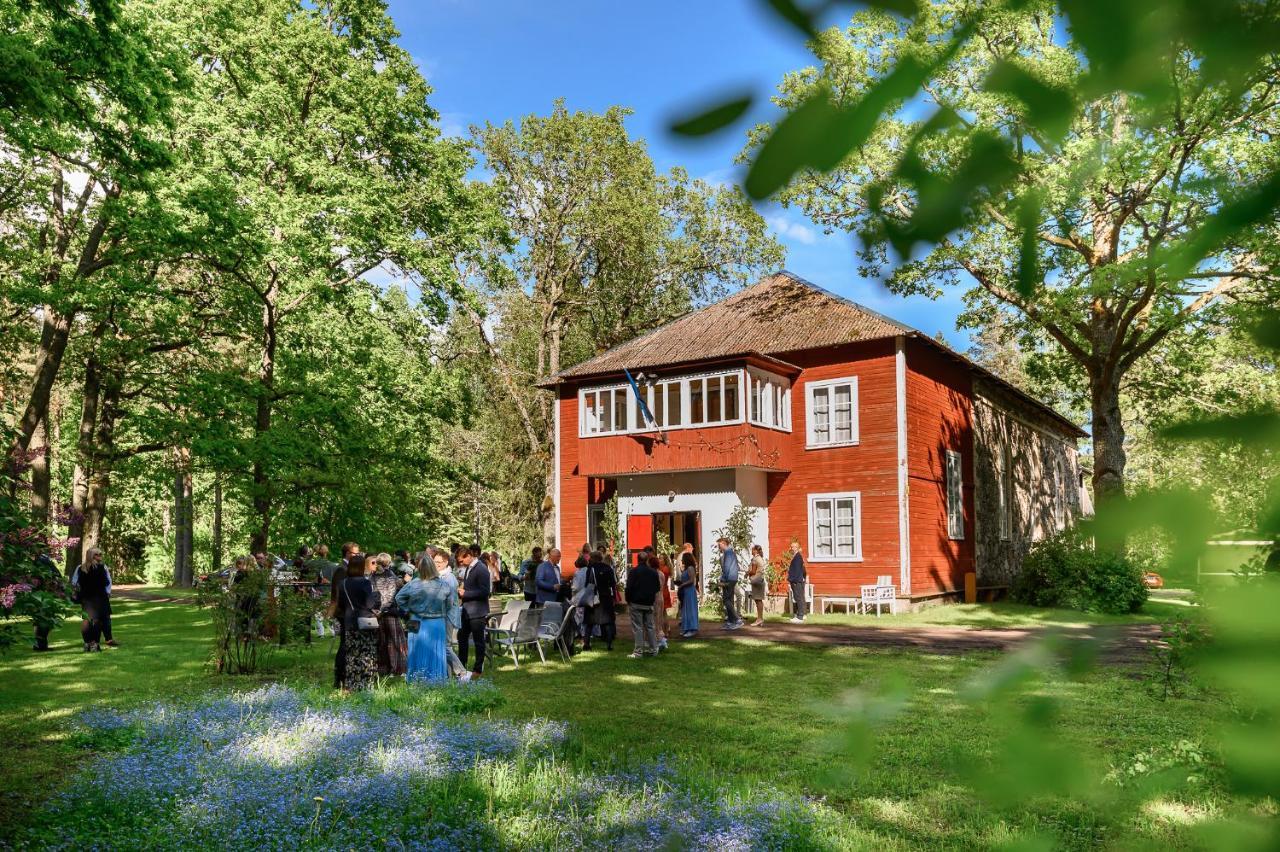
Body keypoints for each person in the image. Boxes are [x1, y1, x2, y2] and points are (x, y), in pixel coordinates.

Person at [396, 549, 459, 684]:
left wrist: (409, 610)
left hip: (416, 622)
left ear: (420, 568)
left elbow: (399, 598)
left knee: (416, 651)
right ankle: (436, 680)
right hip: (437, 622)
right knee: (436, 653)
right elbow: (450, 604)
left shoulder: (413, 583)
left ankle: (416, 680)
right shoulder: (443, 585)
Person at [335, 554, 381, 691]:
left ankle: (351, 683)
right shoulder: (365, 582)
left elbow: (341, 604)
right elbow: (369, 603)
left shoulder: (342, 583)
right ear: (362, 567)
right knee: (367, 654)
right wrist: (376, 598)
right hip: (365, 621)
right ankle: (365, 683)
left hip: (349, 621)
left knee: (352, 654)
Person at [456, 545, 491, 679]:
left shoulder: (481, 569)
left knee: (478, 641)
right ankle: (462, 667)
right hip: (466, 610)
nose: (460, 563)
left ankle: (478, 669)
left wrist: (466, 593)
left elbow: (485, 591)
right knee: (462, 637)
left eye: (461, 560)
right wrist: (461, 593)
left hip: (478, 611)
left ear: (469, 556)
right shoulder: (468, 568)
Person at [70, 547, 114, 652]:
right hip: (100, 597)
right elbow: (106, 582)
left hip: (86, 597)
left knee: (86, 620)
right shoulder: (102, 567)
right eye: (98, 554)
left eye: (100, 554)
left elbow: (74, 582)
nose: (100, 557)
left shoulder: (80, 568)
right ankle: (94, 645)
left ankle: (87, 644)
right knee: (97, 621)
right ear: (92, 556)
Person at [371, 553, 407, 677]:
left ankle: (383, 668)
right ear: (388, 562)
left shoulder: (373, 575)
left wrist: (376, 610)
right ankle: (397, 668)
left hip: (378, 613)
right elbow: (390, 596)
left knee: (382, 641)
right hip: (388, 612)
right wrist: (382, 610)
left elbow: (373, 594)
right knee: (394, 641)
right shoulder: (390, 575)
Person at [625, 555, 662, 658]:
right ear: (647, 560)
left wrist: (628, 600)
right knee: (650, 627)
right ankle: (654, 649)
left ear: (638, 559)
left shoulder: (634, 571)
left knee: (638, 627)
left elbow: (629, 587)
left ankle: (638, 651)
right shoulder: (653, 572)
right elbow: (657, 587)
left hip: (636, 602)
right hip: (649, 603)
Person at [588, 549, 617, 651]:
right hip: (606, 597)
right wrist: (614, 597)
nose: (589, 559)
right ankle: (609, 644)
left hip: (594, 597)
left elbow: (588, 584)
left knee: (589, 622)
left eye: (590, 558)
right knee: (608, 622)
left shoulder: (590, 569)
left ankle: (586, 644)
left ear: (594, 558)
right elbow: (613, 583)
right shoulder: (608, 568)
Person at [717, 537, 743, 630]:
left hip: (729, 579)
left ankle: (737, 620)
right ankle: (731, 622)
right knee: (729, 599)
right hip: (732, 578)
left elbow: (726, 568)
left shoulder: (728, 553)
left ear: (723, 544)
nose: (718, 547)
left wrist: (722, 580)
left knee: (726, 600)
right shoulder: (730, 552)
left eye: (719, 545)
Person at [677, 551, 700, 637]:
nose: (681, 560)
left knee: (690, 609)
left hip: (690, 591)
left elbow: (691, 580)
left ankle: (692, 628)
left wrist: (682, 585)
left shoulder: (691, 568)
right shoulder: (686, 568)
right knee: (685, 609)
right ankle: (686, 628)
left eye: (683, 558)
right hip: (685, 591)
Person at [655, 554, 674, 650]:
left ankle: (665, 630)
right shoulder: (665, 568)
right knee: (664, 612)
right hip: (665, 590)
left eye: (661, 558)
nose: (659, 560)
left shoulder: (664, 569)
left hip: (663, 591)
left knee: (662, 612)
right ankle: (667, 629)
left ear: (664, 559)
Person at [787, 539, 808, 623]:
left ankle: (800, 617)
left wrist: (794, 580)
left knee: (798, 598)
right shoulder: (797, 556)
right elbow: (803, 570)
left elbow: (797, 570)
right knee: (800, 597)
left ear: (796, 548)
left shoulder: (798, 557)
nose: (791, 548)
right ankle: (802, 614)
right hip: (798, 580)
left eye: (792, 547)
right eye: (791, 547)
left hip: (796, 580)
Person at [748, 545, 768, 627]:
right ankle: (760, 619)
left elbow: (753, 571)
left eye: (752, 550)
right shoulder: (760, 558)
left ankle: (759, 619)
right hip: (760, 581)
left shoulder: (755, 559)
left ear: (755, 551)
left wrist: (747, 573)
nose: (751, 551)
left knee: (758, 600)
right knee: (759, 600)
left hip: (756, 581)